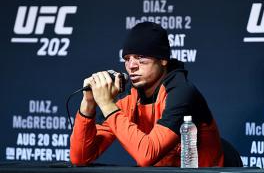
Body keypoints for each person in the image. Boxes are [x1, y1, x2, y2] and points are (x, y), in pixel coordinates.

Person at [70, 22, 224, 167]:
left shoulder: (182, 93)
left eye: (140, 57)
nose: (131, 66)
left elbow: (147, 155)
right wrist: (88, 104)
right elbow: (81, 157)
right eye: (127, 59)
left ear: (163, 60)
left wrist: (107, 105)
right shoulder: (127, 96)